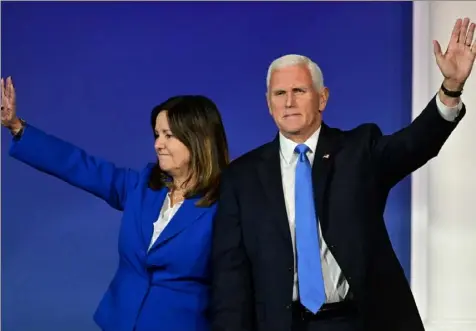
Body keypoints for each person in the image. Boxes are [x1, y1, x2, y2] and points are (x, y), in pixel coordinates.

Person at [210, 17, 475, 331]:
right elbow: (231, 278)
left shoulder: (359, 150)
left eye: (299, 90)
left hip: (357, 321)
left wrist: (451, 89)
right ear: (268, 104)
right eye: (279, 94)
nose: (289, 102)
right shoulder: (242, 177)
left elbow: (414, 145)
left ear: (322, 98)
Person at [1, 79, 230, 331]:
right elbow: (80, 166)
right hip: (119, 323)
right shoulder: (142, 186)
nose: (157, 144)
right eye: (156, 134)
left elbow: (237, 287)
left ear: (198, 140)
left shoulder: (225, 206)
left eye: (168, 135)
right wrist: (17, 127)